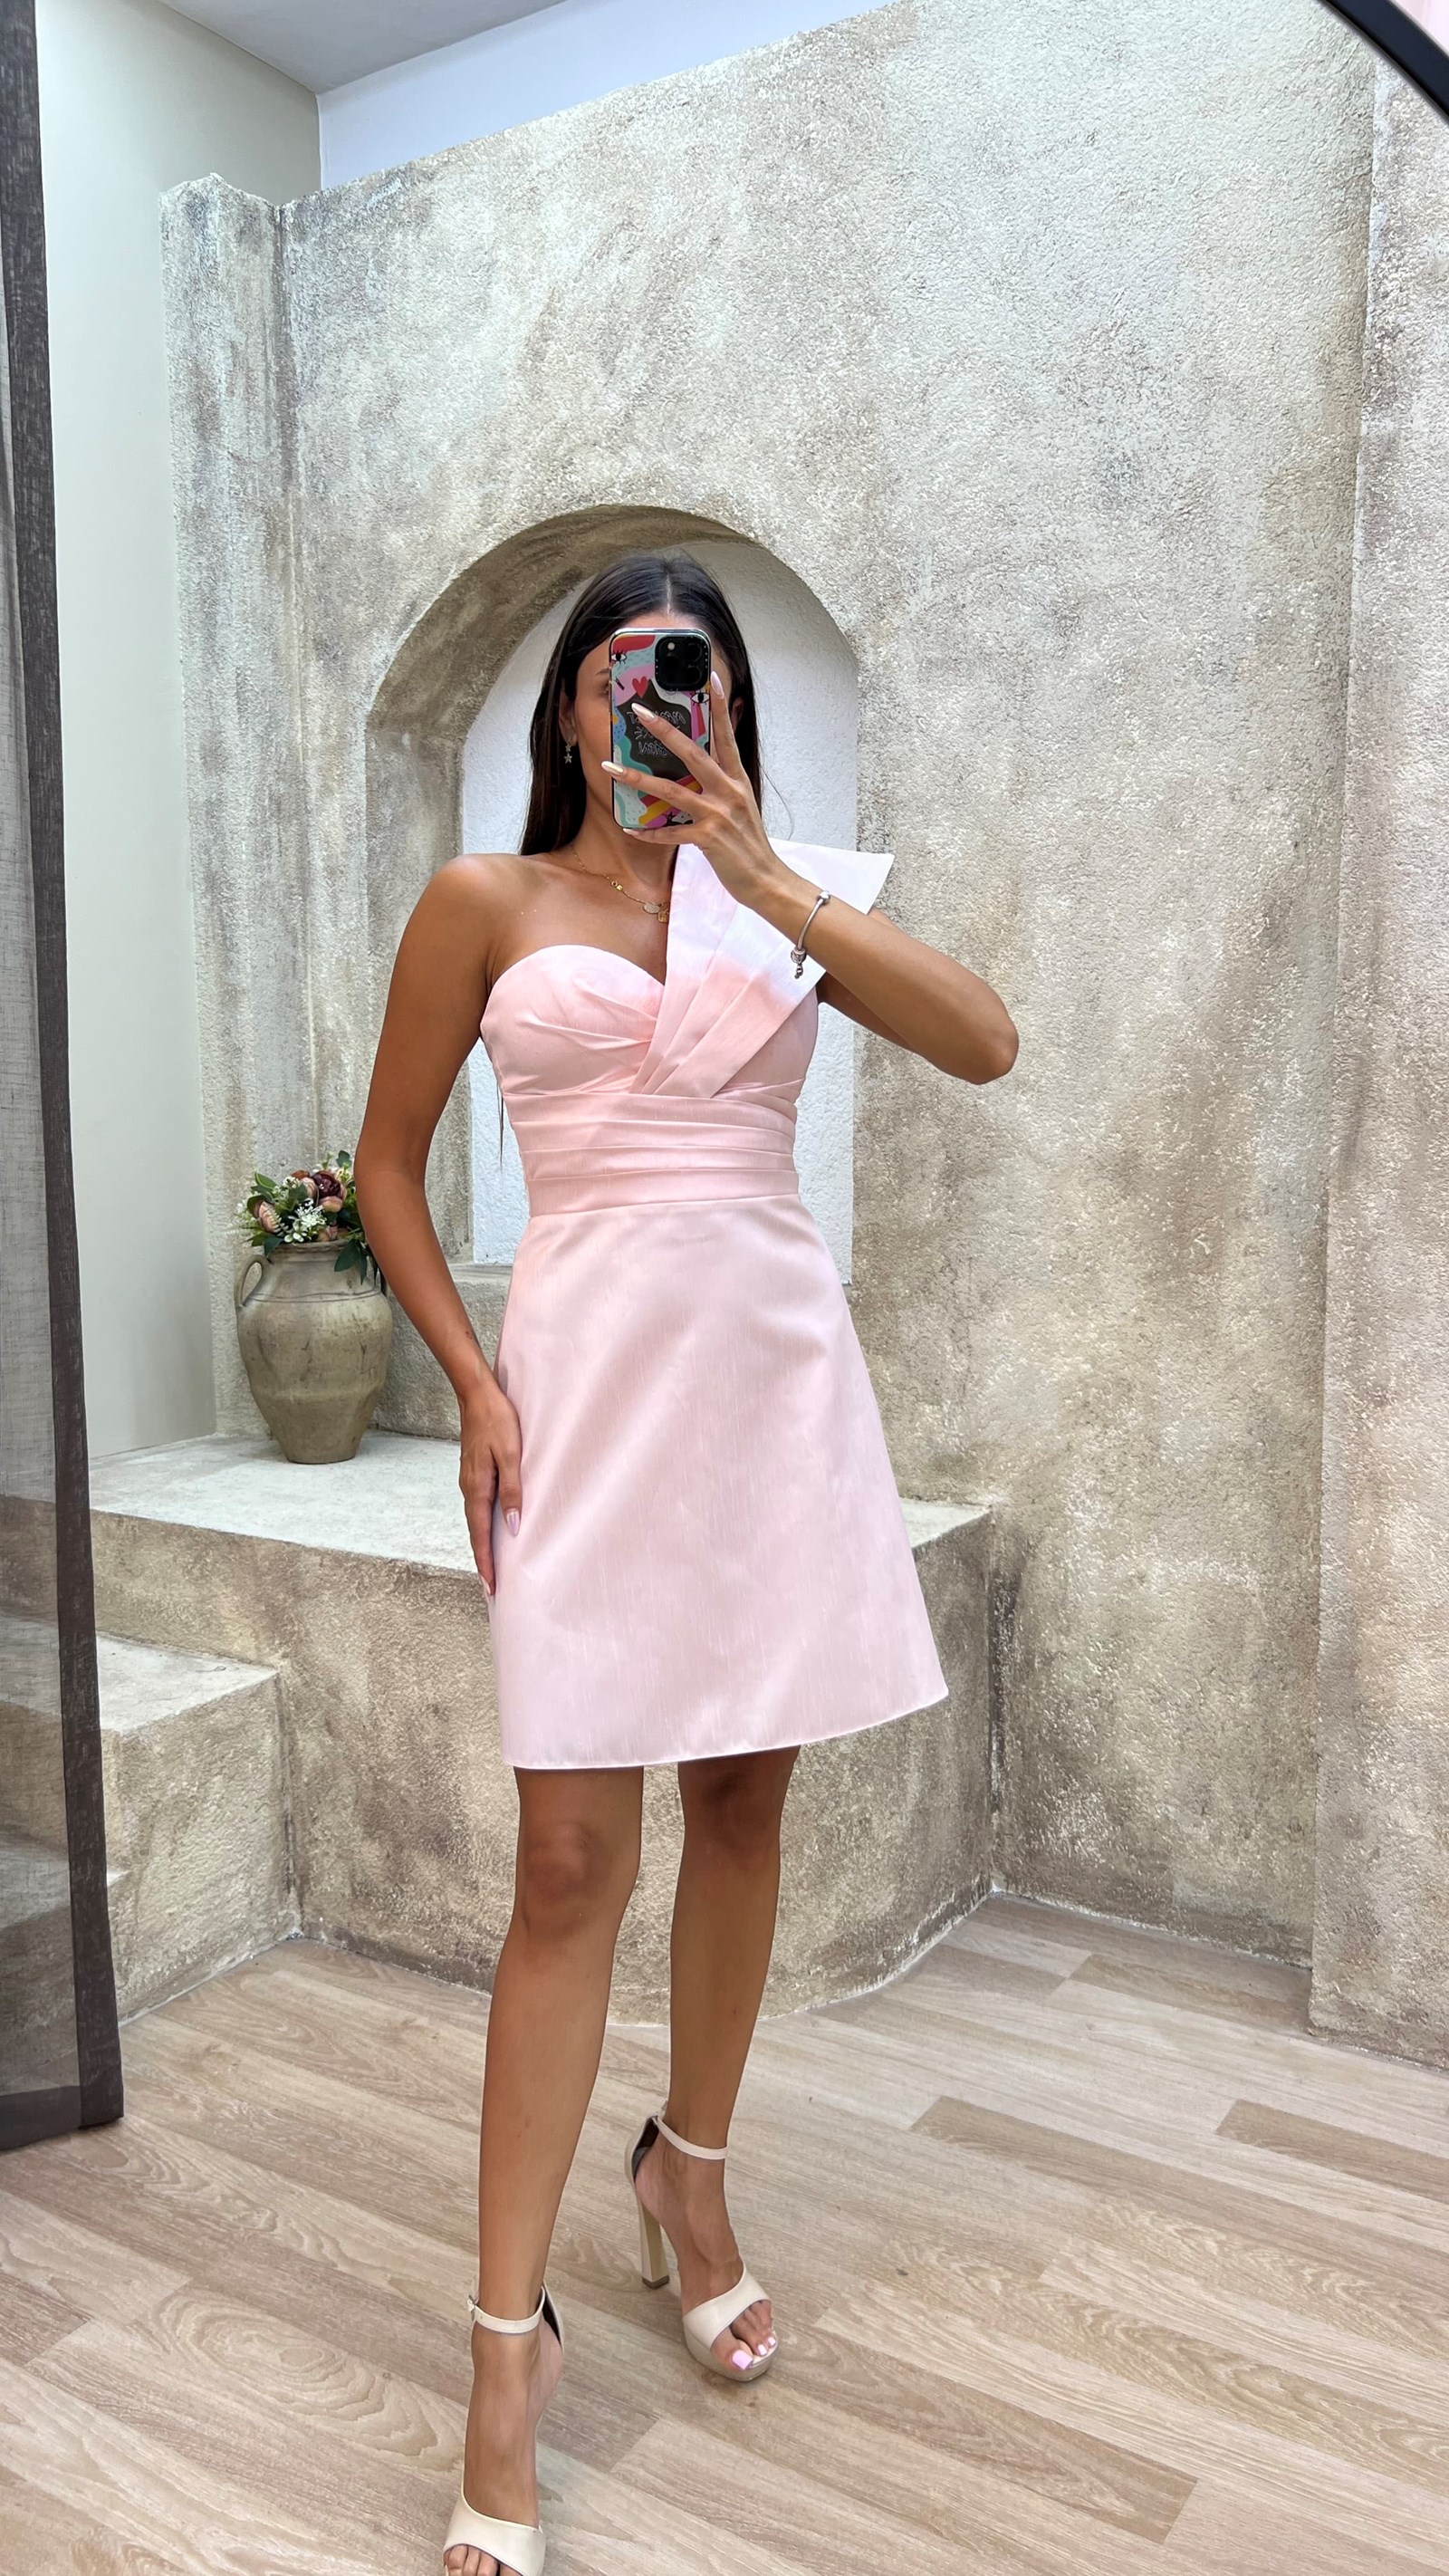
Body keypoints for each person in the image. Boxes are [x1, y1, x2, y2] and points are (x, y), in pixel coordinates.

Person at [352, 551, 1018, 2576]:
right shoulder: (482, 904)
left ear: (726, 712)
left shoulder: (773, 896)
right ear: (572, 707)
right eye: (630, 676)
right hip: (579, 1398)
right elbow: (384, 1166)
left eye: (698, 678)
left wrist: (766, 873)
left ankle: (689, 2179)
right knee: (566, 1862)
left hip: (770, 1390)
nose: (661, 704)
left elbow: (984, 1041)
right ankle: (504, 2355)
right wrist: (471, 1383)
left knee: (744, 1801)